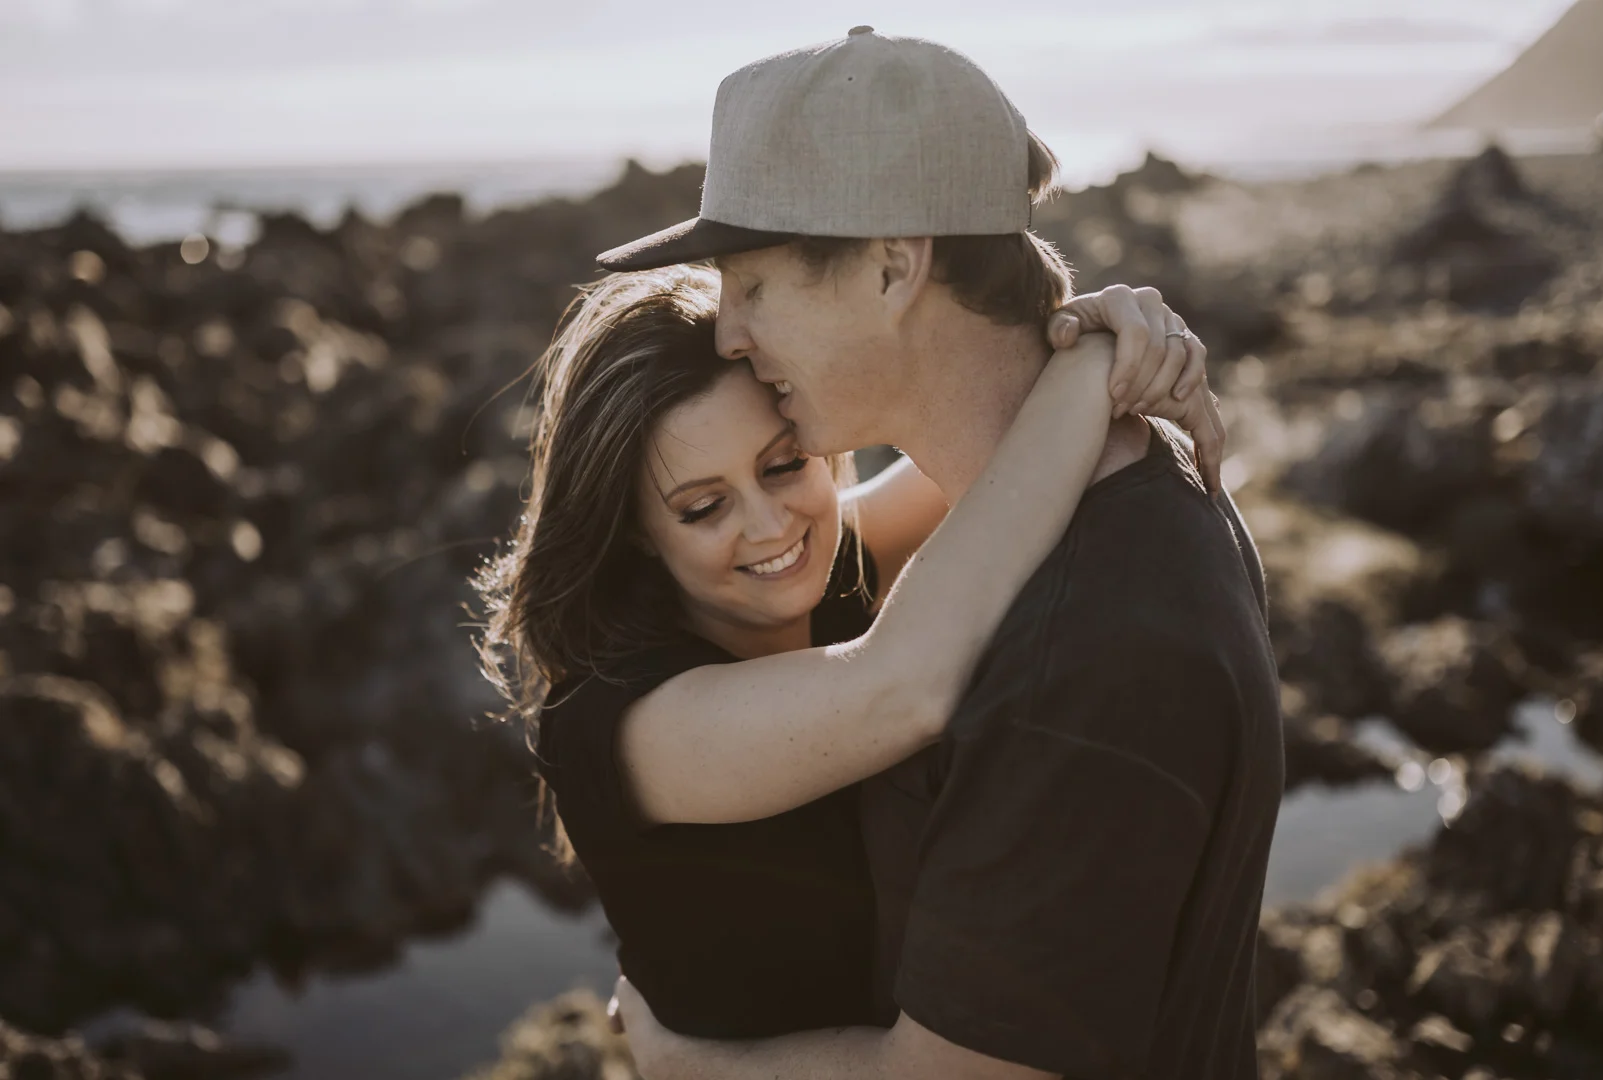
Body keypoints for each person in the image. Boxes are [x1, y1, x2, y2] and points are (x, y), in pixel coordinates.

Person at [595, 28, 1284, 1080]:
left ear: (890, 267)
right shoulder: (1106, 497)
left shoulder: (1084, 652)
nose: (728, 332)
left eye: (752, 284)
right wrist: (1095, 353)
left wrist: (683, 1064)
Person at [475, 260, 1212, 1040]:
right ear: (637, 534)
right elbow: (903, 689)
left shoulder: (822, 561)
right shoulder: (627, 724)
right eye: (704, 507)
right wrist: (1090, 371)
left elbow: (999, 428)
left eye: (782, 465)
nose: (770, 528)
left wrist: (1110, 331)